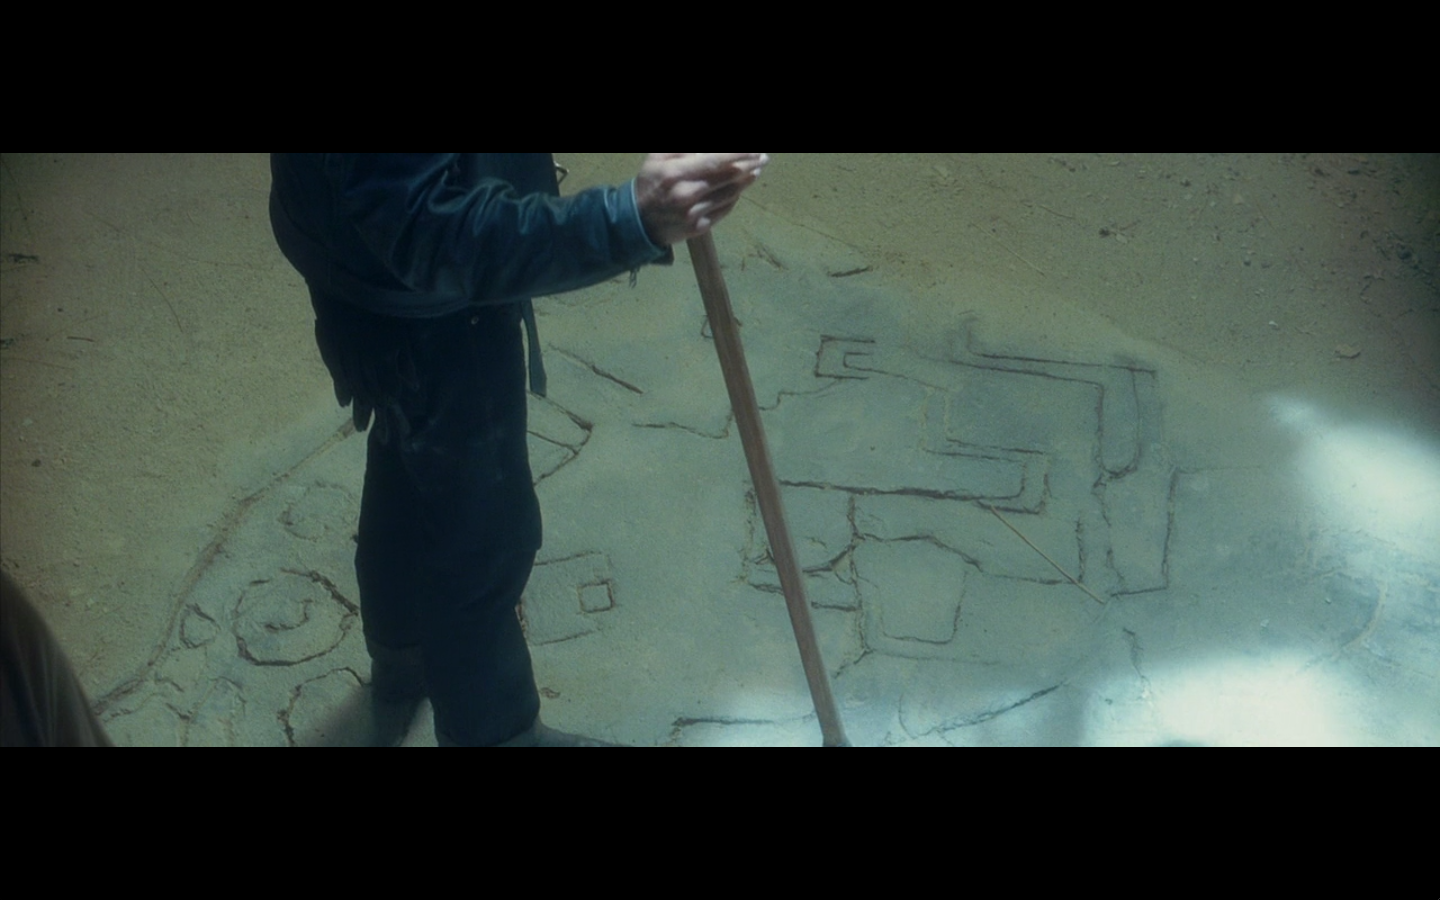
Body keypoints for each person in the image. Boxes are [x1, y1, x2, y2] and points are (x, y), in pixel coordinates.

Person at [269, 153, 768, 746]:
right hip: (427, 294)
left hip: (354, 252)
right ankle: (493, 733)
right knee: (483, 532)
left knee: (408, 455)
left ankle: (407, 654)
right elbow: (427, 231)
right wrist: (627, 218)